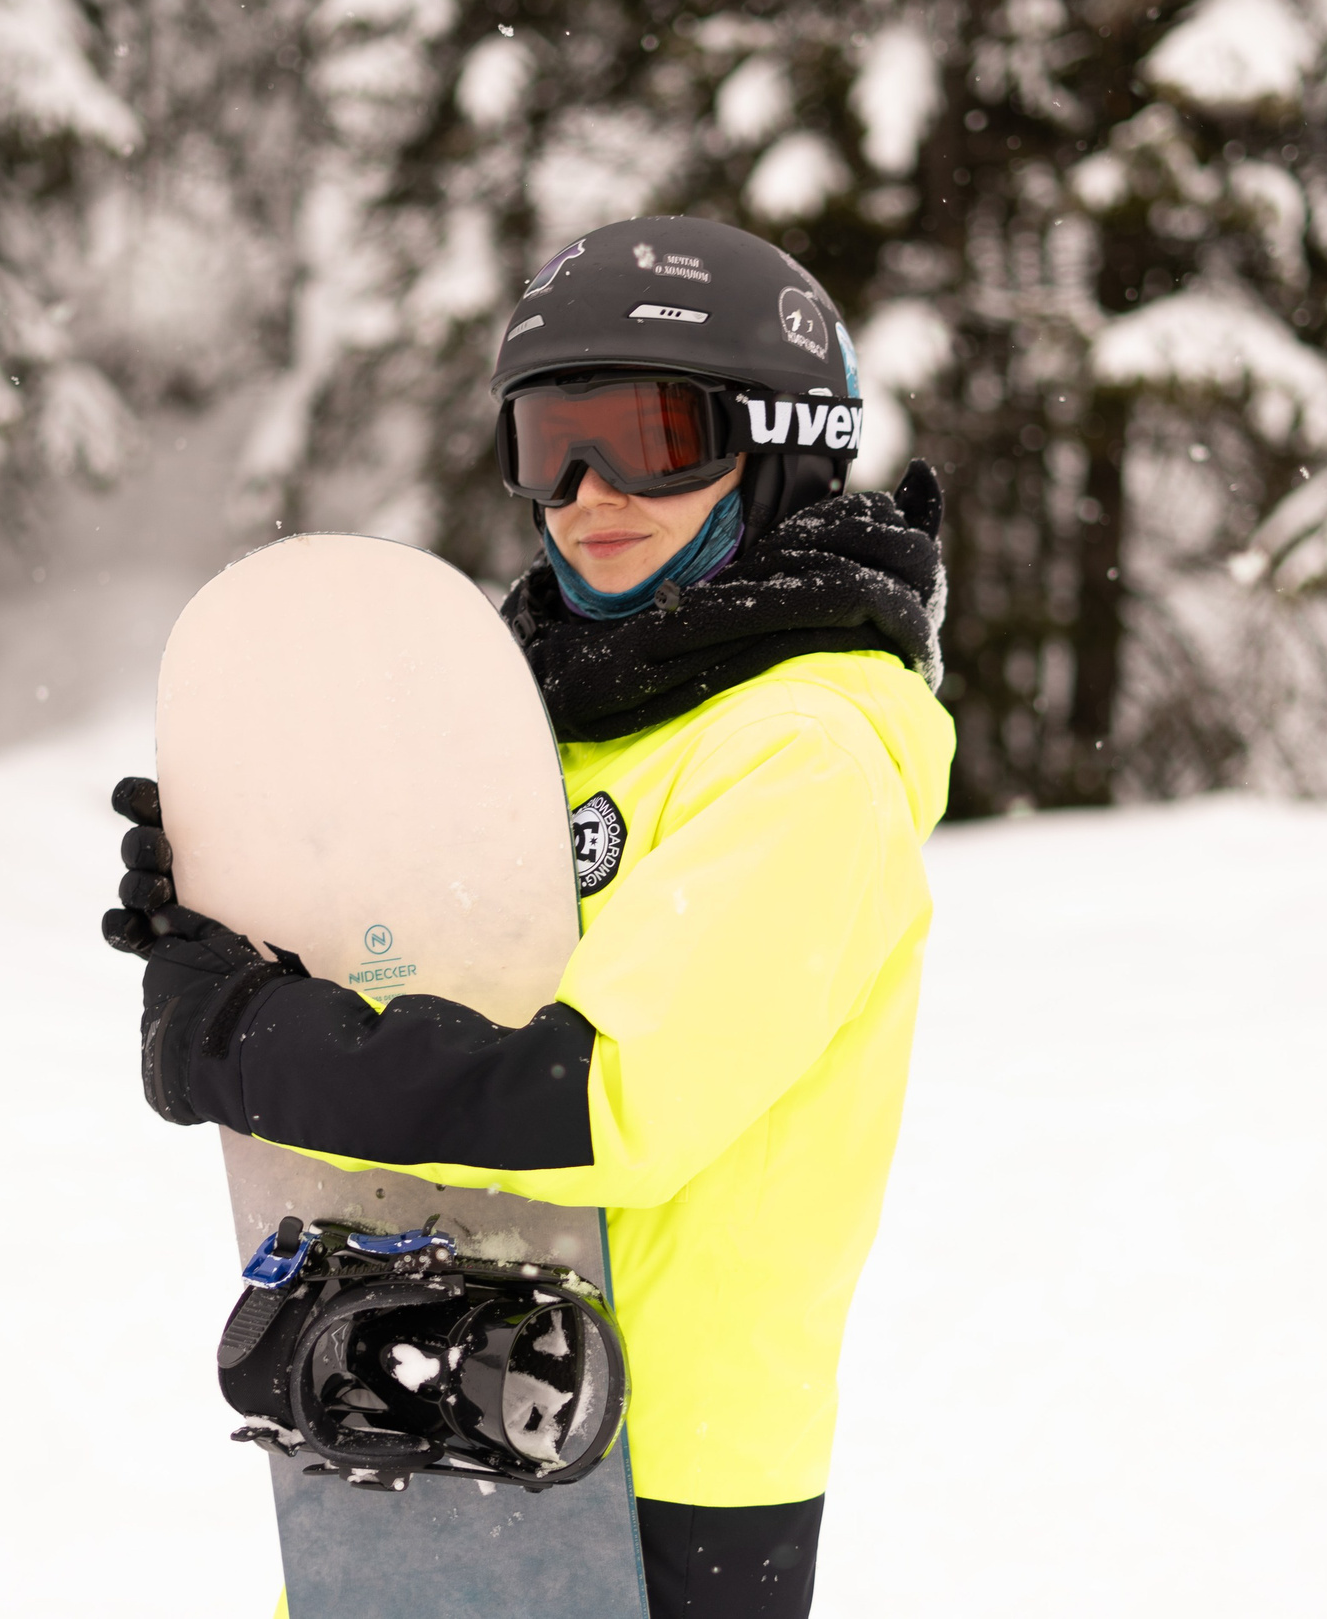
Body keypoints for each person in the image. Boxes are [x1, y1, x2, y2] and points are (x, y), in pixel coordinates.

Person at [103, 215, 952, 1619]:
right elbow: (436, 976)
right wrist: (245, 919)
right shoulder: (562, 726)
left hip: (659, 1474)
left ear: (787, 440)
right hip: (433, 1384)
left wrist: (255, 1039)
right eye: (549, 441)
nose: (586, 490)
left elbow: (605, 1100)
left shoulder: (807, 756)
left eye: (651, 436)